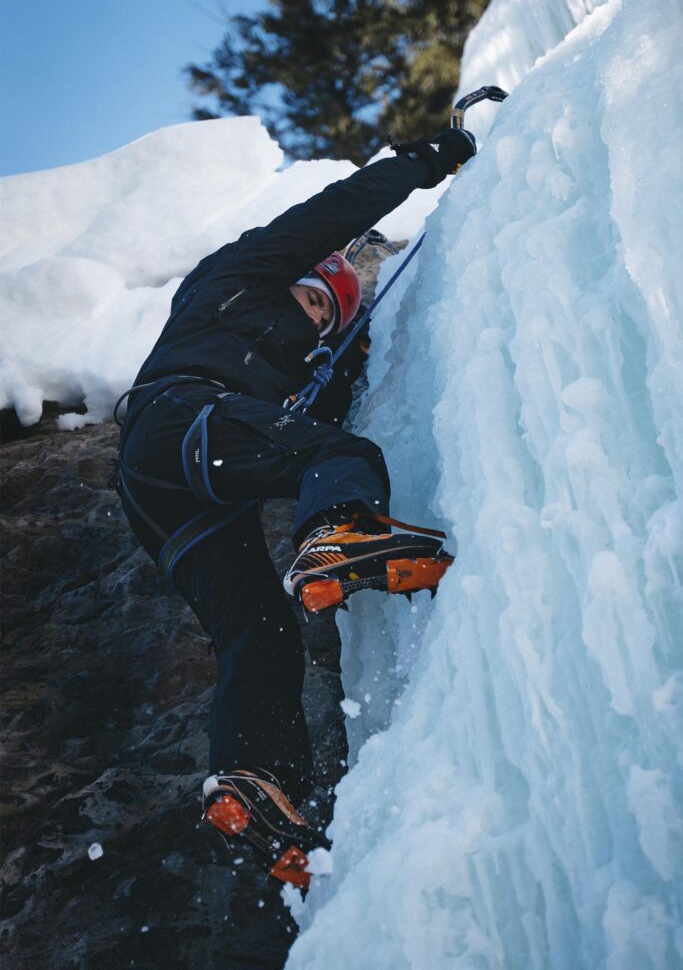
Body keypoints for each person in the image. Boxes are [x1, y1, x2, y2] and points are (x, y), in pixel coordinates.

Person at [114, 125, 477, 889]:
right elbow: (326, 217)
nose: (315, 318)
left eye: (327, 318)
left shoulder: (290, 358)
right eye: (314, 298)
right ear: (291, 277)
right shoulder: (239, 276)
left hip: (161, 495)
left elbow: (326, 399)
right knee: (339, 460)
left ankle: (256, 783)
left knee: (260, 628)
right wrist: (420, 162)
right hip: (180, 418)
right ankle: (340, 535)